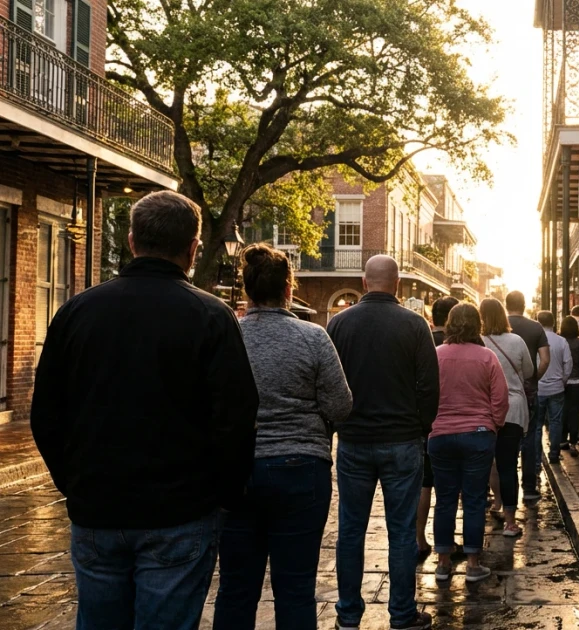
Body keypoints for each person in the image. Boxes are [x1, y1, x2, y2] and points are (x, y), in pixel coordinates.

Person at [30, 191, 259, 629]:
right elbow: (235, 418)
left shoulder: (77, 311)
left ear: (132, 240)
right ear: (193, 249)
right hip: (180, 510)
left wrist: (73, 483)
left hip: (98, 505)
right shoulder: (211, 316)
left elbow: (46, 413)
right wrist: (224, 495)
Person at [214, 245, 353, 630]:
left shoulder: (226, 336)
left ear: (246, 290)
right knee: (295, 588)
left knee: (236, 588)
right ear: (289, 288)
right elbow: (341, 406)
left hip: (237, 472)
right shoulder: (314, 337)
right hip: (300, 468)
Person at [328, 255, 439, 630]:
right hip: (402, 440)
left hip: (354, 440)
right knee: (402, 530)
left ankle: (347, 614)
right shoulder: (415, 325)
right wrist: (419, 427)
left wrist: (339, 425)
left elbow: (328, 386)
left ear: (364, 282)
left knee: (351, 529)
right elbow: (430, 387)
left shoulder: (338, 325)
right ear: (397, 285)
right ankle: (402, 613)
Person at [430, 304, 509, 583]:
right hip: (478, 435)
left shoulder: (435, 355)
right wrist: (493, 426)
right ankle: (473, 563)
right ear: (477, 325)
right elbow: (500, 399)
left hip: (440, 435)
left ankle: (443, 563)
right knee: (474, 500)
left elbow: (423, 394)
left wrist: (431, 424)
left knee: (445, 499)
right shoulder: (487, 357)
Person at [479, 299, 533, 537]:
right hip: (513, 409)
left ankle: (491, 504)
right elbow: (530, 372)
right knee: (508, 464)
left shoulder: (477, 343)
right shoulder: (517, 341)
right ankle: (510, 522)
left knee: (487, 463)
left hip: (486, 410)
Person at [419, 295, 458, 554]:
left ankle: (418, 539)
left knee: (423, 483)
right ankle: (446, 542)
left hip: (423, 423)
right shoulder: (458, 344)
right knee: (448, 487)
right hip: (450, 422)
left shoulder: (422, 341)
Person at [505, 291, 550, 504]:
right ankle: (529, 486)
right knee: (530, 436)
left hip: (500, 391)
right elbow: (545, 359)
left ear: (506, 305)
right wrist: (533, 379)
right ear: (524, 305)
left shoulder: (496, 326)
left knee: (502, 439)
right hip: (529, 392)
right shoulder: (535, 327)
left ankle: (503, 489)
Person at [535, 311, 572, 465]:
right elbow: (568, 364)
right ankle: (554, 455)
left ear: (538, 322)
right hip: (557, 387)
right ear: (553, 323)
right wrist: (562, 380)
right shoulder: (561, 341)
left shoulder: (535, 340)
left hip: (538, 388)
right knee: (556, 422)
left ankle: (537, 458)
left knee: (536, 425)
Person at [560, 317, 579, 457]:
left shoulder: (560, 341)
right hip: (576, 382)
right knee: (574, 411)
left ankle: (562, 440)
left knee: (562, 410)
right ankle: (573, 442)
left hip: (562, 382)